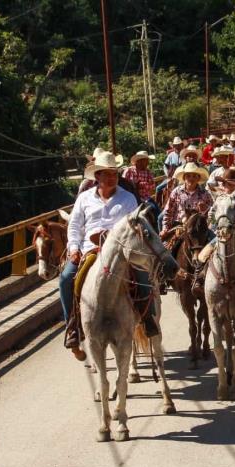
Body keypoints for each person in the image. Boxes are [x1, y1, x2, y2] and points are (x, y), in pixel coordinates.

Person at [60, 151, 158, 361]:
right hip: (89, 250)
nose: (111, 177)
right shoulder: (84, 198)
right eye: (106, 174)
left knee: (143, 275)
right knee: (66, 278)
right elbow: (75, 225)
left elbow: (133, 226)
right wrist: (74, 248)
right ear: (97, 176)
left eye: (114, 173)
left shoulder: (128, 198)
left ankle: (147, 317)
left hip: (120, 251)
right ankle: (72, 328)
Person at [159, 162, 212, 236]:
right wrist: (165, 228)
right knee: (165, 245)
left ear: (198, 178)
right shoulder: (176, 192)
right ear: (184, 178)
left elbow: (212, 213)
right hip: (178, 226)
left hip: (198, 228)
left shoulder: (205, 194)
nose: (191, 179)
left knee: (213, 242)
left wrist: (205, 209)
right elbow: (168, 211)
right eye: (188, 176)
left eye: (194, 176)